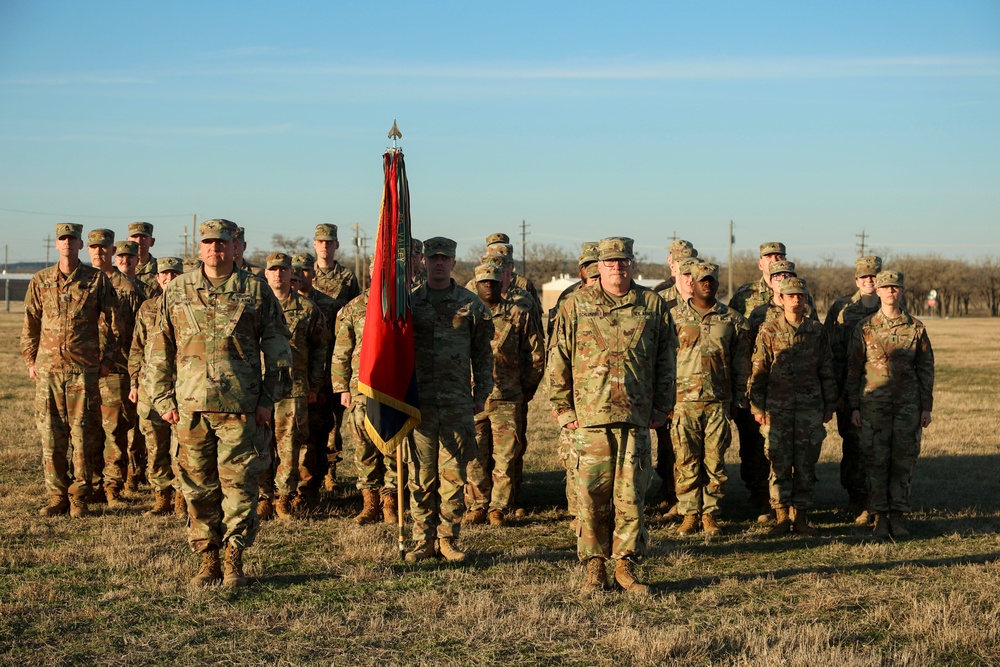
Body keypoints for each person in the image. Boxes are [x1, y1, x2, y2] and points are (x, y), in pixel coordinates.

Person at [148, 219, 291, 587]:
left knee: (240, 486)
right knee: (197, 487)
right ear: (200, 249)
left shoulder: (255, 291)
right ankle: (207, 559)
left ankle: (234, 560)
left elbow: (277, 350)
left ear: (235, 247)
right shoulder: (177, 290)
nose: (215, 249)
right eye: (208, 242)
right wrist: (163, 399)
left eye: (222, 243)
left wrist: (267, 399)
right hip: (189, 408)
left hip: (240, 408)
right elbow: (159, 348)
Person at [549, 236, 676, 596]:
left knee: (631, 496)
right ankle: (595, 567)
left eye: (623, 262)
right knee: (590, 496)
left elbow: (667, 359)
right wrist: (563, 409)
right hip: (589, 419)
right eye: (609, 263)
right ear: (598, 267)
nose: (617, 268)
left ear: (632, 264)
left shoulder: (651, 304)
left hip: (636, 417)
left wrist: (662, 407)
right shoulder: (575, 305)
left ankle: (625, 565)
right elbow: (558, 358)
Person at [405, 237, 494, 564]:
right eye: (433, 258)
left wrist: (481, 393)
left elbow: (483, 354)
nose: (438, 263)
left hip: (457, 403)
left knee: (453, 475)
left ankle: (447, 539)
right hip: (419, 404)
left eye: (445, 258)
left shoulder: (471, 305)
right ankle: (422, 539)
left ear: (454, 262)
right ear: (423, 262)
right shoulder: (411, 303)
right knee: (421, 475)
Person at [21, 223, 119, 518]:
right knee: (51, 437)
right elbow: (31, 323)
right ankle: (56, 495)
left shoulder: (95, 279)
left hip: (82, 371)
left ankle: (79, 497)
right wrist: (30, 361)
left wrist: (107, 361)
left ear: (80, 245)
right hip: (48, 371)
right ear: (56, 245)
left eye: (72, 239)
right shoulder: (40, 280)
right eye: (62, 239)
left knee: (83, 436)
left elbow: (115, 322)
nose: (67, 243)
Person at [846, 270, 934, 540]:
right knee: (875, 460)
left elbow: (926, 368)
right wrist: (854, 407)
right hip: (873, 405)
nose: (890, 292)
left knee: (902, 461)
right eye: (886, 287)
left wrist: (926, 406)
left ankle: (897, 516)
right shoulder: (865, 327)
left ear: (902, 291)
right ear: (879, 291)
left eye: (895, 287)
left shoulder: (916, 327)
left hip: (907, 406)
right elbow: (853, 369)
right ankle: (879, 517)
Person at [749, 277, 837, 536]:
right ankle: (781, 516)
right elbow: (759, 369)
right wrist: (757, 406)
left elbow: (827, 368)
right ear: (782, 299)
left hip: (810, 409)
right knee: (778, 462)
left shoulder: (817, 331)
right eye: (791, 296)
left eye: (800, 296)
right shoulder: (769, 329)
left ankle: (801, 517)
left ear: (806, 299)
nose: (796, 300)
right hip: (778, 409)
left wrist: (829, 403)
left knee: (806, 463)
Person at [672, 262, 751, 538]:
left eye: (712, 280)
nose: (707, 284)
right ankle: (689, 514)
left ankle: (710, 514)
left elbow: (742, 365)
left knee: (715, 461)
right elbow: (662, 362)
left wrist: (739, 400)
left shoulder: (733, 320)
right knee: (686, 460)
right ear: (690, 283)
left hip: (718, 401)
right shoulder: (672, 317)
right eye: (702, 280)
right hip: (684, 401)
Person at [465, 264, 545, 526]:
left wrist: (525, 390)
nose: (488, 285)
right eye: (483, 281)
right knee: (474, 456)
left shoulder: (519, 314)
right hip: (473, 398)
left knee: (506, 457)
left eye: (493, 281)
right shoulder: (465, 314)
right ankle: (477, 505)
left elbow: (535, 356)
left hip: (508, 398)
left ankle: (498, 508)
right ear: (475, 285)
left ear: (503, 284)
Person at [258, 253, 327, 521]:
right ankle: (264, 496)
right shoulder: (255, 305)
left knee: (289, 446)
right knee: (261, 443)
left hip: (294, 388)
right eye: (273, 270)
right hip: (261, 387)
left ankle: (284, 498)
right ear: (266, 274)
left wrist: (314, 383)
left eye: (283, 270)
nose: (278, 274)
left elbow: (321, 347)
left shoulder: (308, 309)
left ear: (291, 274)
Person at [330, 264, 400, 525]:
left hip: (392, 389)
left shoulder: (402, 304)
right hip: (361, 389)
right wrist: (341, 388)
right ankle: (370, 503)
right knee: (364, 447)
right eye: (377, 271)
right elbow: (342, 350)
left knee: (393, 445)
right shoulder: (355, 306)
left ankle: (390, 502)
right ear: (371, 273)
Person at [729, 241, 789, 522]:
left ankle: (784, 496)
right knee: (752, 441)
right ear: (760, 262)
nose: (774, 261)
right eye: (769, 257)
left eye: (779, 256)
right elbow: (734, 333)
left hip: (788, 382)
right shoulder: (745, 295)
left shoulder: (799, 293)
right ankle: (758, 493)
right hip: (755, 379)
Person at [87, 234, 144, 506]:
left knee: (114, 430)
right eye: (93, 248)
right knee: (88, 429)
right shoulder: (84, 279)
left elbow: (133, 333)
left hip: (115, 369)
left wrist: (133, 371)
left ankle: (112, 487)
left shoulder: (126, 288)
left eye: (104, 249)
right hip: (84, 367)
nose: (100, 253)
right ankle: (92, 483)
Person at [129, 257, 185, 517]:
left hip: (182, 388)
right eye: (165, 273)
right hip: (150, 389)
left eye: (175, 273)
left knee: (182, 446)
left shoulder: (190, 306)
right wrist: (134, 382)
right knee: (155, 445)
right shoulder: (147, 308)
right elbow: (137, 348)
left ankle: (182, 497)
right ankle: (161, 496)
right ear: (157, 277)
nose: (169, 278)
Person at [828, 256, 883, 522]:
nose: (870, 281)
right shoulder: (841, 308)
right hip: (849, 389)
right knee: (852, 444)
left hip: (880, 388)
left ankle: (877, 499)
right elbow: (830, 350)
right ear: (856, 280)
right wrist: (837, 393)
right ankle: (856, 498)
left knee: (878, 444)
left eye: (874, 276)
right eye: (865, 277)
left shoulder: (890, 305)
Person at [312, 223, 361, 490]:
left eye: (330, 242)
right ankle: (314, 470)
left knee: (337, 419)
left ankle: (332, 471)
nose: (325, 246)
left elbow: (354, 312)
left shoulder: (347, 278)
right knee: (316, 417)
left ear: (337, 246)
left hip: (339, 354)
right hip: (315, 356)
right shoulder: (307, 275)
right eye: (321, 242)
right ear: (314, 244)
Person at [653, 255, 703, 517]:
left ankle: (701, 506)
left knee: (698, 451)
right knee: (671, 448)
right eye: (685, 274)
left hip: (698, 393)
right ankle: (673, 496)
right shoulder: (664, 307)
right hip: (670, 391)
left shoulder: (711, 309)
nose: (689, 279)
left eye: (693, 275)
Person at [292, 253, 343, 504]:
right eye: (295, 271)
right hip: (288, 383)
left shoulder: (328, 304)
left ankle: (313, 485)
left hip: (320, 379)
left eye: (304, 270)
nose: (299, 276)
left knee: (318, 431)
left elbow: (332, 344)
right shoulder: (275, 302)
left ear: (312, 273)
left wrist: (326, 381)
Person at [129, 221, 161, 298]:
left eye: (144, 237)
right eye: (135, 237)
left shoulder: (161, 269)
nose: (139, 242)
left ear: (152, 242)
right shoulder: (117, 270)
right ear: (127, 240)